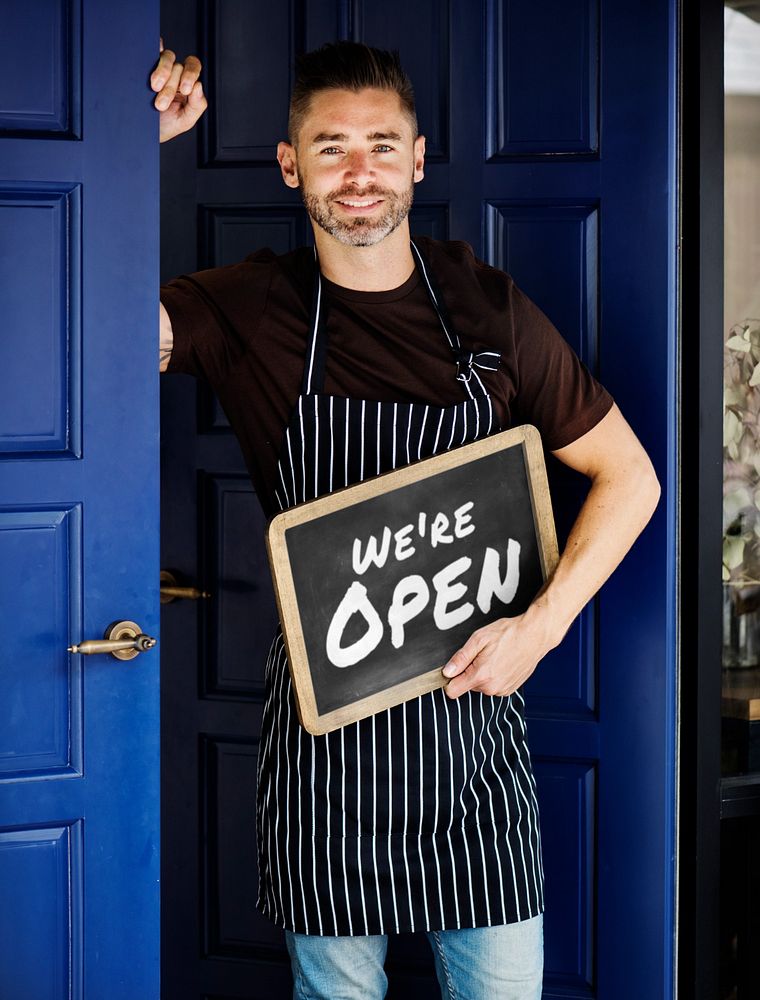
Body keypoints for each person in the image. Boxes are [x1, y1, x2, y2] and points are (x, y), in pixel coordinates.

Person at [151, 40, 660, 1000]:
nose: (359, 173)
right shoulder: (251, 307)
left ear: (419, 160)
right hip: (327, 754)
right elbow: (80, 328)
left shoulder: (488, 306)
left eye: (382, 146)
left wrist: (539, 632)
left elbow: (630, 477)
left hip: (475, 754)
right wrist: (129, 155)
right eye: (331, 146)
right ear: (289, 163)